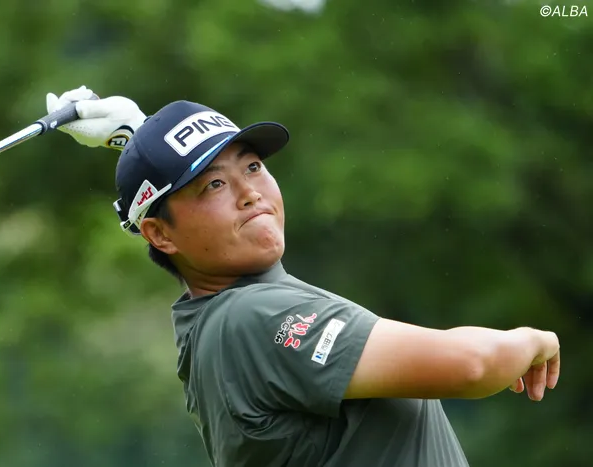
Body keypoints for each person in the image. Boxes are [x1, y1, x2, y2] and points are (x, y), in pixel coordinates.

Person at [45, 86, 562, 467]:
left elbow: (168, 196)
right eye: (213, 185)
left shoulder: (231, 311)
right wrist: (534, 339)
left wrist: (143, 136)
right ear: (160, 235)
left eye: (252, 167)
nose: (249, 193)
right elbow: (472, 364)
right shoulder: (250, 318)